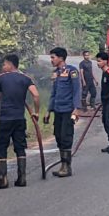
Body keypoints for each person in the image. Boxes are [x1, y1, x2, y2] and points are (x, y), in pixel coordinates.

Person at [0, 54, 40, 189]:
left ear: (10, 64)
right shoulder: (26, 79)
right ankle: (22, 178)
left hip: (5, 118)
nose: (3, 67)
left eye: (4, 64)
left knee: (1, 147)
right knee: (20, 147)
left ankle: (2, 179)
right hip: (20, 118)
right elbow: (35, 95)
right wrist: (36, 112)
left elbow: (2, 93)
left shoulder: (1, 78)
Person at [43, 47, 83, 178]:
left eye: (53, 57)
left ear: (61, 58)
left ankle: (66, 167)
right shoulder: (56, 73)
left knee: (66, 136)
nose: (51, 60)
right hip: (58, 110)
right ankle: (62, 165)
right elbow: (53, 93)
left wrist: (76, 108)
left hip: (68, 110)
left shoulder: (72, 71)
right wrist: (49, 110)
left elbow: (77, 90)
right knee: (58, 136)